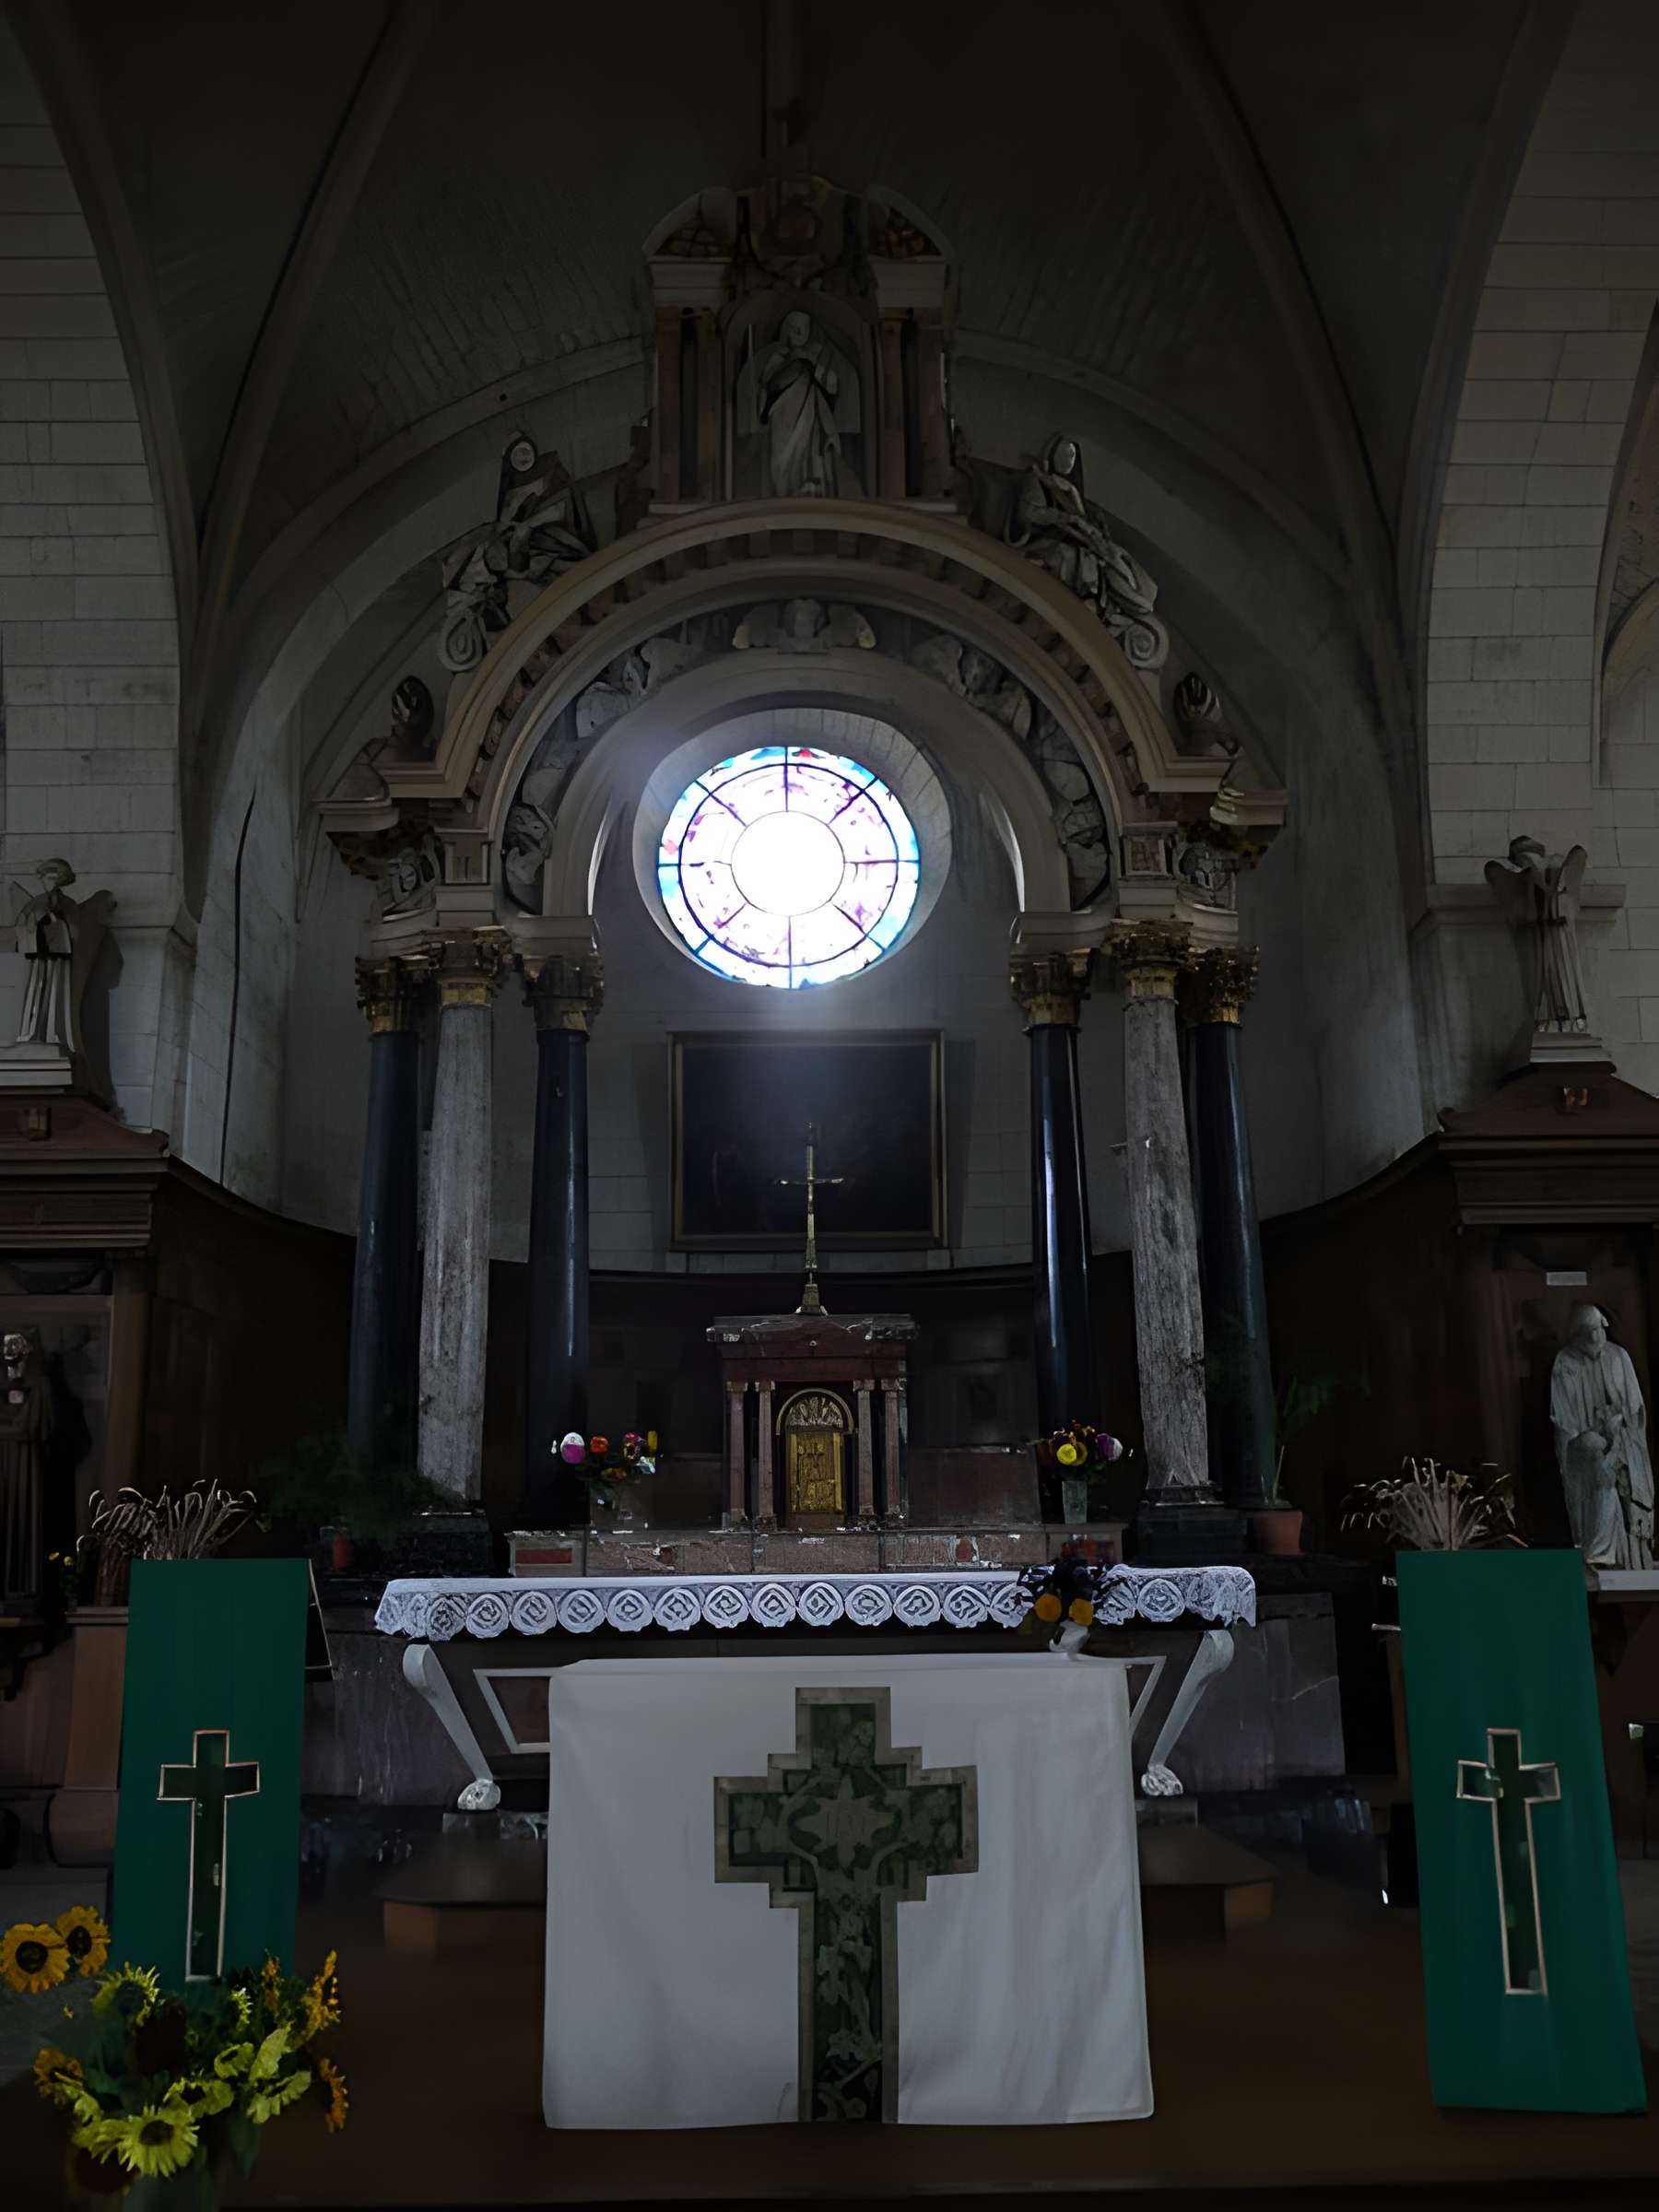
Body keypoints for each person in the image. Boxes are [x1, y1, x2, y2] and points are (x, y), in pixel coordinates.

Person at [1549, 1304, 1655, 1569]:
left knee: (1620, 1475)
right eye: (1589, 1332)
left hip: (1623, 1441)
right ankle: (1600, 1553)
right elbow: (1564, 1420)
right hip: (1586, 1446)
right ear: (1578, 1333)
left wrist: (1620, 1424)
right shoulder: (1566, 1362)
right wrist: (1588, 1438)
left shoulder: (1619, 1357)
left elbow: (1635, 1410)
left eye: (1598, 1330)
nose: (1596, 1338)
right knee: (1602, 1478)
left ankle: (1628, 1557)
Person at [758, 311, 841, 499]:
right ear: (785, 330)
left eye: (803, 328)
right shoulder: (778, 357)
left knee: (813, 448)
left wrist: (816, 369)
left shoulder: (816, 355)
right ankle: (785, 488)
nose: (798, 332)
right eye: (793, 327)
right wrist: (798, 365)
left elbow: (831, 385)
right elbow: (769, 385)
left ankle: (811, 482)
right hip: (784, 413)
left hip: (812, 413)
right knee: (784, 457)